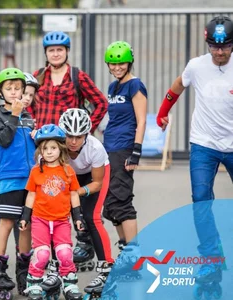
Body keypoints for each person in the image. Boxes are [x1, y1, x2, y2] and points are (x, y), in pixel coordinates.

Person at [156, 16, 233, 284]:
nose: (220, 52)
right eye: (214, 46)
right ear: (207, 43)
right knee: (201, 201)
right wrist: (163, 112)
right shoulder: (197, 66)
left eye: (225, 47)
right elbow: (177, 86)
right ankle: (211, 259)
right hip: (203, 144)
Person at [19, 124, 85, 300]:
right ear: (40, 150)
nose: (49, 152)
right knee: (42, 254)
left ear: (60, 149)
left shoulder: (68, 171)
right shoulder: (36, 171)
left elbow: (74, 195)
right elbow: (31, 195)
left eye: (53, 148)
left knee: (65, 253)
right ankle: (33, 282)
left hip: (62, 220)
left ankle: (69, 283)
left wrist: (77, 217)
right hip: (40, 219)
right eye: (45, 148)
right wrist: (25, 216)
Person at [0, 68, 35, 298]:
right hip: (10, 177)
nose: (15, 92)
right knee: (7, 222)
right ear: (1, 92)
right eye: (9, 88)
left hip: (32, 179)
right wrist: (15, 115)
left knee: (26, 224)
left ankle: (24, 272)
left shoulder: (28, 116)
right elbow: (4, 141)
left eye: (18, 88)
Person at [58, 108, 115, 297]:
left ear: (86, 135)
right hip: (70, 176)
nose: (73, 142)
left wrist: (77, 193)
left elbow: (97, 183)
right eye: (69, 136)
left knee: (92, 217)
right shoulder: (55, 145)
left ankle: (107, 269)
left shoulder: (95, 148)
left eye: (79, 136)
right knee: (56, 216)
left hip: (94, 177)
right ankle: (56, 266)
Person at [102, 41, 147, 276]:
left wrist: (136, 151)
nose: (117, 67)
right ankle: (125, 251)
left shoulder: (135, 86)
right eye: (113, 62)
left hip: (125, 149)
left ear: (129, 61)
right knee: (109, 206)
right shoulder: (113, 86)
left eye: (121, 62)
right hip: (109, 149)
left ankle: (133, 258)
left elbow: (141, 120)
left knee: (121, 201)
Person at [33, 31, 108, 131]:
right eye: (51, 50)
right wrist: (32, 123)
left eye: (60, 50)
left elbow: (102, 104)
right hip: (42, 140)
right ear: (46, 53)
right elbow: (26, 102)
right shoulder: (38, 75)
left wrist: (85, 129)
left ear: (67, 51)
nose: (55, 54)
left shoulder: (78, 76)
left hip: (67, 141)